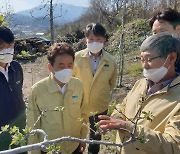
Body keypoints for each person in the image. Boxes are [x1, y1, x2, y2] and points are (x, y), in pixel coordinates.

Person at [99, 33, 180, 154]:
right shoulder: (140, 84)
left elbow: (173, 146)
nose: (144, 65)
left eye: (149, 59)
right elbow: (123, 106)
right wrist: (115, 118)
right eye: (141, 59)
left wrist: (128, 127)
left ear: (172, 58)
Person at [26, 42, 88, 154]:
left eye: (70, 65)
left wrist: (83, 138)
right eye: (61, 65)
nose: (66, 69)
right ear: (50, 67)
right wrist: (34, 151)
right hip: (50, 149)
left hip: (74, 146)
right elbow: (33, 123)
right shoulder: (38, 90)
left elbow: (84, 114)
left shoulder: (78, 85)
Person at [73, 23, 117, 154]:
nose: (94, 43)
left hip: (99, 106)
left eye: (98, 39)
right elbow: (70, 80)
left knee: (96, 136)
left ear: (104, 39)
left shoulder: (111, 61)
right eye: (91, 39)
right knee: (76, 134)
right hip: (78, 105)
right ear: (85, 40)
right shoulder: (76, 58)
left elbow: (111, 83)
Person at [0, 26, 26, 150]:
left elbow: (19, 94)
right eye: (2, 47)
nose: (7, 50)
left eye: (10, 46)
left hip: (20, 133)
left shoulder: (16, 68)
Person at [149, 7, 180, 72]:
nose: (158, 36)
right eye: (155, 33)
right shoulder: (153, 57)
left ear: (178, 30)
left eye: (163, 31)